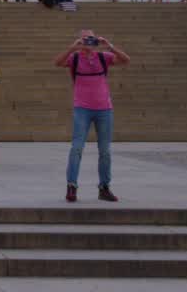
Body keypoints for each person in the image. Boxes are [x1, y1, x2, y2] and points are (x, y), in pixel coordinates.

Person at [53, 30, 130, 203]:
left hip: (104, 109)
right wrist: (72, 48)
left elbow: (126, 60)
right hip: (82, 108)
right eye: (85, 38)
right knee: (77, 148)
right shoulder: (75, 59)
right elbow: (57, 62)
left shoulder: (104, 57)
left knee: (105, 151)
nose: (88, 42)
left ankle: (104, 187)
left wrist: (109, 45)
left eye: (91, 38)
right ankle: (71, 186)